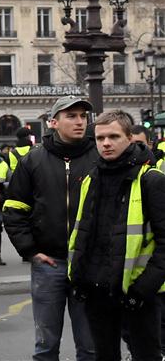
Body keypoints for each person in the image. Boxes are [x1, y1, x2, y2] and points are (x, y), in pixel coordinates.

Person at [3, 95, 97, 361]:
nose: (80, 122)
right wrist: (30, 250)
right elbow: (13, 209)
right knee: (45, 347)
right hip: (49, 264)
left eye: (83, 116)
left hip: (87, 264)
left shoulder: (98, 157)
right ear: (54, 122)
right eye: (72, 116)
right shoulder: (33, 160)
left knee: (90, 347)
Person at [68, 110, 165, 361]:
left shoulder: (151, 180)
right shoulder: (91, 178)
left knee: (146, 355)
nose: (106, 143)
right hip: (97, 289)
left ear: (129, 138)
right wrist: (78, 278)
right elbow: (83, 233)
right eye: (100, 138)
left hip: (136, 292)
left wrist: (142, 290)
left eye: (113, 136)